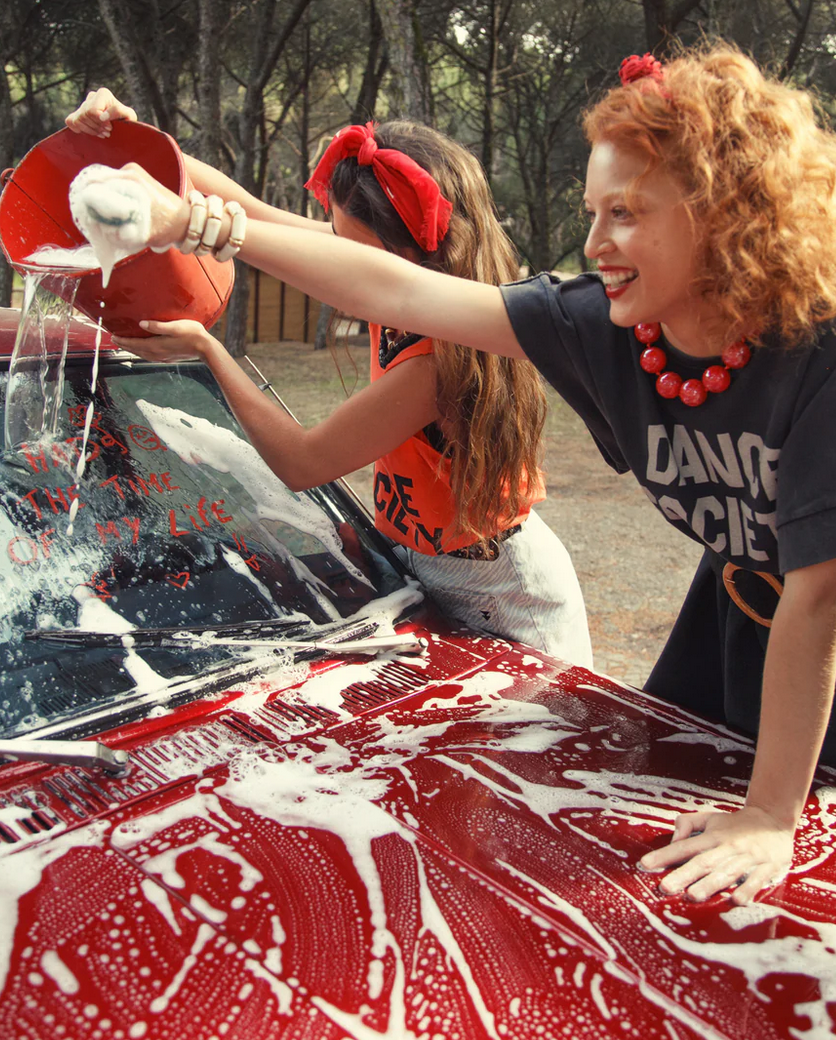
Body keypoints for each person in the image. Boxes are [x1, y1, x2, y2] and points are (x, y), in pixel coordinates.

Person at [66, 42, 836, 906]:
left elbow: (818, 599)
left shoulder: (817, 357)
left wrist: (771, 813)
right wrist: (164, 187)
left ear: (727, 212)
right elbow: (375, 281)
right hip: (736, 607)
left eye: (623, 213)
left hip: (806, 631)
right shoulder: (598, 321)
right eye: (591, 212)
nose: (594, 243)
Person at [66, 92, 593, 666]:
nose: (337, 259)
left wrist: (208, 352)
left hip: (507, 597)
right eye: (335, 238)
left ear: (407, 255)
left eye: (351, 249)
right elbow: (247, 208)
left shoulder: (439, 360)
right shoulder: (402, 277)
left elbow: (305, 462)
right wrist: (131, 136)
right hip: (433, 565)